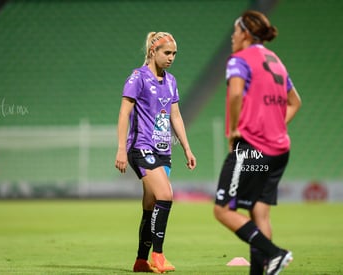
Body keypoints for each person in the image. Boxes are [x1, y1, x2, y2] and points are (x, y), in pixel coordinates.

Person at [213, 10, 301, 275]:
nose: (232, 37)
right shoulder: (276, 60)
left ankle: (275, 253)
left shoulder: (239, 60)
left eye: (235, 31)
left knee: (223, 211)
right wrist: (275, 125)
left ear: (246, 34)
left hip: (253, 149)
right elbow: (295, 102)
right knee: (259, 214)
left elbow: (236, 93)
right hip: (279, 150)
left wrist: (236, 130)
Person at [115, 32, 196, 273]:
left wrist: (187, 148)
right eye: (167, 53)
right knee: (166, 195)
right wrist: (121, 148)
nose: (171, 58)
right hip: (140, 147)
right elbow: (124, 114)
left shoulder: (171, 81)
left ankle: (141, 260)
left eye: (174, 54)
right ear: (153, 51)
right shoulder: (137, 78)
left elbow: (176, 116)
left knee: (150, 204)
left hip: (163, 150)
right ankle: (158, 256)